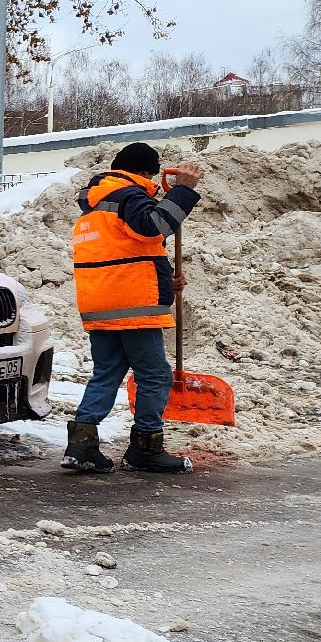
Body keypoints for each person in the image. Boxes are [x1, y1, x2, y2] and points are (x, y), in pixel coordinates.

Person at [61, 142, 203, 474]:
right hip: (132, 305)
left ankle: (80, 447)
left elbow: (124, 253)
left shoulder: (96, 207)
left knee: (106, 374)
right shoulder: (130, 195)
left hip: (101, 304)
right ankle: (145, 449)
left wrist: (165, 280)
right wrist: (181, 192)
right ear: (143, 172)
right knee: (155, 375)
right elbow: (152, 226)